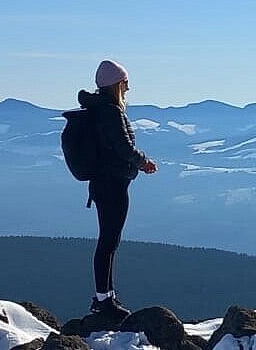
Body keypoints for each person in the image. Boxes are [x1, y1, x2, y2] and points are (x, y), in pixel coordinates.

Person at [78, 59, 157, 318]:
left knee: (109, 240)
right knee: (108, 241)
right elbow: (123, 148)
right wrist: (144, 162)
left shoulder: (100, 109)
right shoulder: (112, 112)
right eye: (125, 82)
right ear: (116, 85)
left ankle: (106, 297)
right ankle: (104, 300)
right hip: (113, 183)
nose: (129, 87)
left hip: (104, 183)